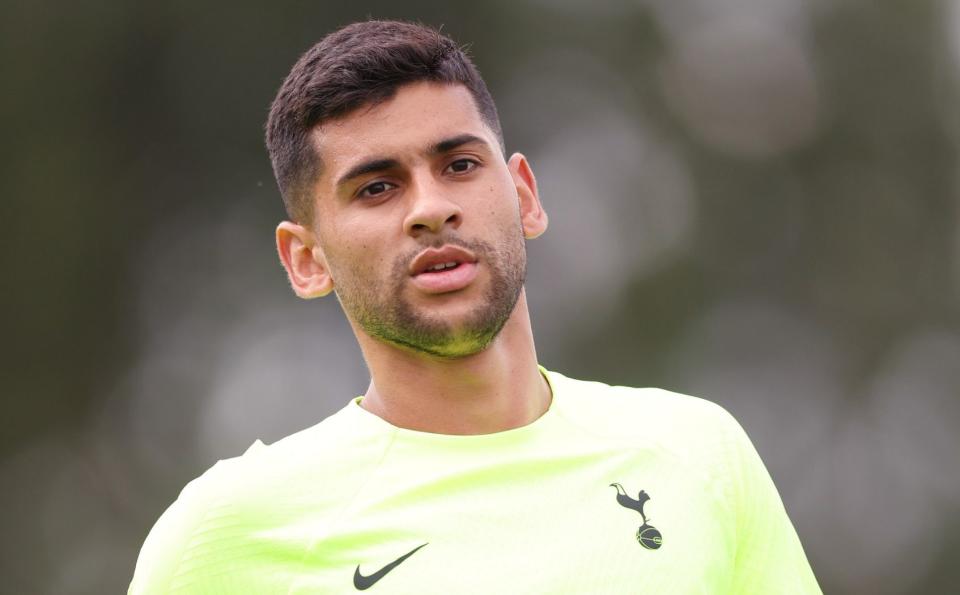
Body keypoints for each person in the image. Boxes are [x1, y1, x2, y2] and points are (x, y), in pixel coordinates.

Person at [129, 20, 822, 594]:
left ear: (523, 195)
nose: (432, 208)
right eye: (376, 188)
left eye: (459, 165)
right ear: (306, 260)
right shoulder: (227, 535)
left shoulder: (698, 452)